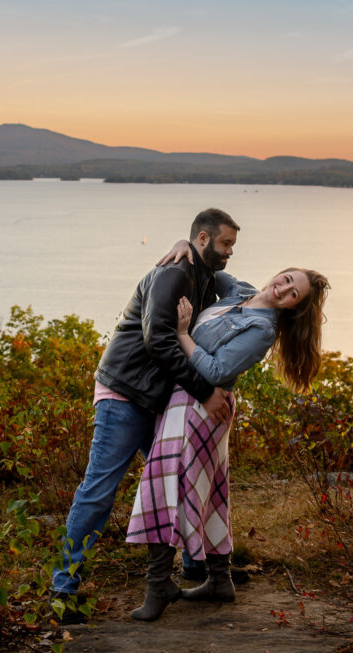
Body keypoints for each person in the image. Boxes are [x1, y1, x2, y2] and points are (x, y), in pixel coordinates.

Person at [49, 208, 240, 624]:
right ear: (204, 239)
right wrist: (206, 392)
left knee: (183, 479)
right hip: (126, 393)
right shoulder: (173, 274)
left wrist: (183, 243)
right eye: (225, 244)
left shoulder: (206, 275)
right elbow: (157, 341)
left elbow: (245, 291)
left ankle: (193, 568)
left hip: (159, 400)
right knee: (98, 491)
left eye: (233, 246)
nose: (230, 253)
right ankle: (63, 589)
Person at [125, 265, 330, 621]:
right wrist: (183, 244)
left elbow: (216, 372)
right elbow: (208, 267)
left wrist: (182, 333)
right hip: (193, 401)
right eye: (286, 278)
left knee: (163, 488)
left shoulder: (262, 329)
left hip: (202, 405)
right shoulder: (240, 291)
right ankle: (219, 581)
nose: (282, 288)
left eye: (293, 293)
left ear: (294, 307)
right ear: (279, 273)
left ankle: (157, 586)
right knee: (211, 491)